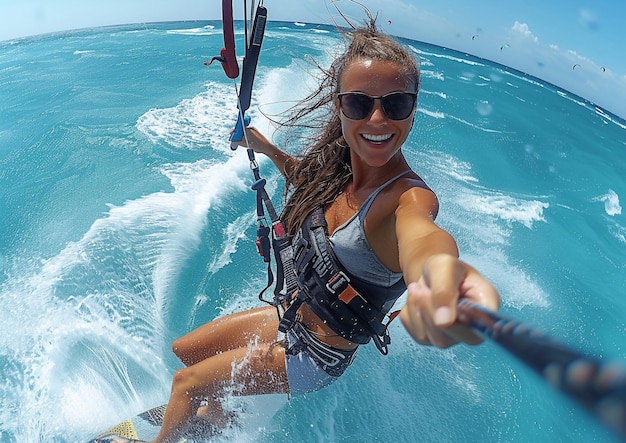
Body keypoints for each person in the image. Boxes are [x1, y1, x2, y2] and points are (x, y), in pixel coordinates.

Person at [97, 17, 500, 443]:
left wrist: (440, 279)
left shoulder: (407, 200)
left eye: (396, 104)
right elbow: (305, 179)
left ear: (413, 111)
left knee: (187, 384)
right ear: (340, 109)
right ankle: (216, 420)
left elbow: (424, 239)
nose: (378, 119)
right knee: (187, 353)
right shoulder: (341, 174)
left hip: (314, 355)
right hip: (289, 323)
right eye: (360, 104)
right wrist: (266, 149)